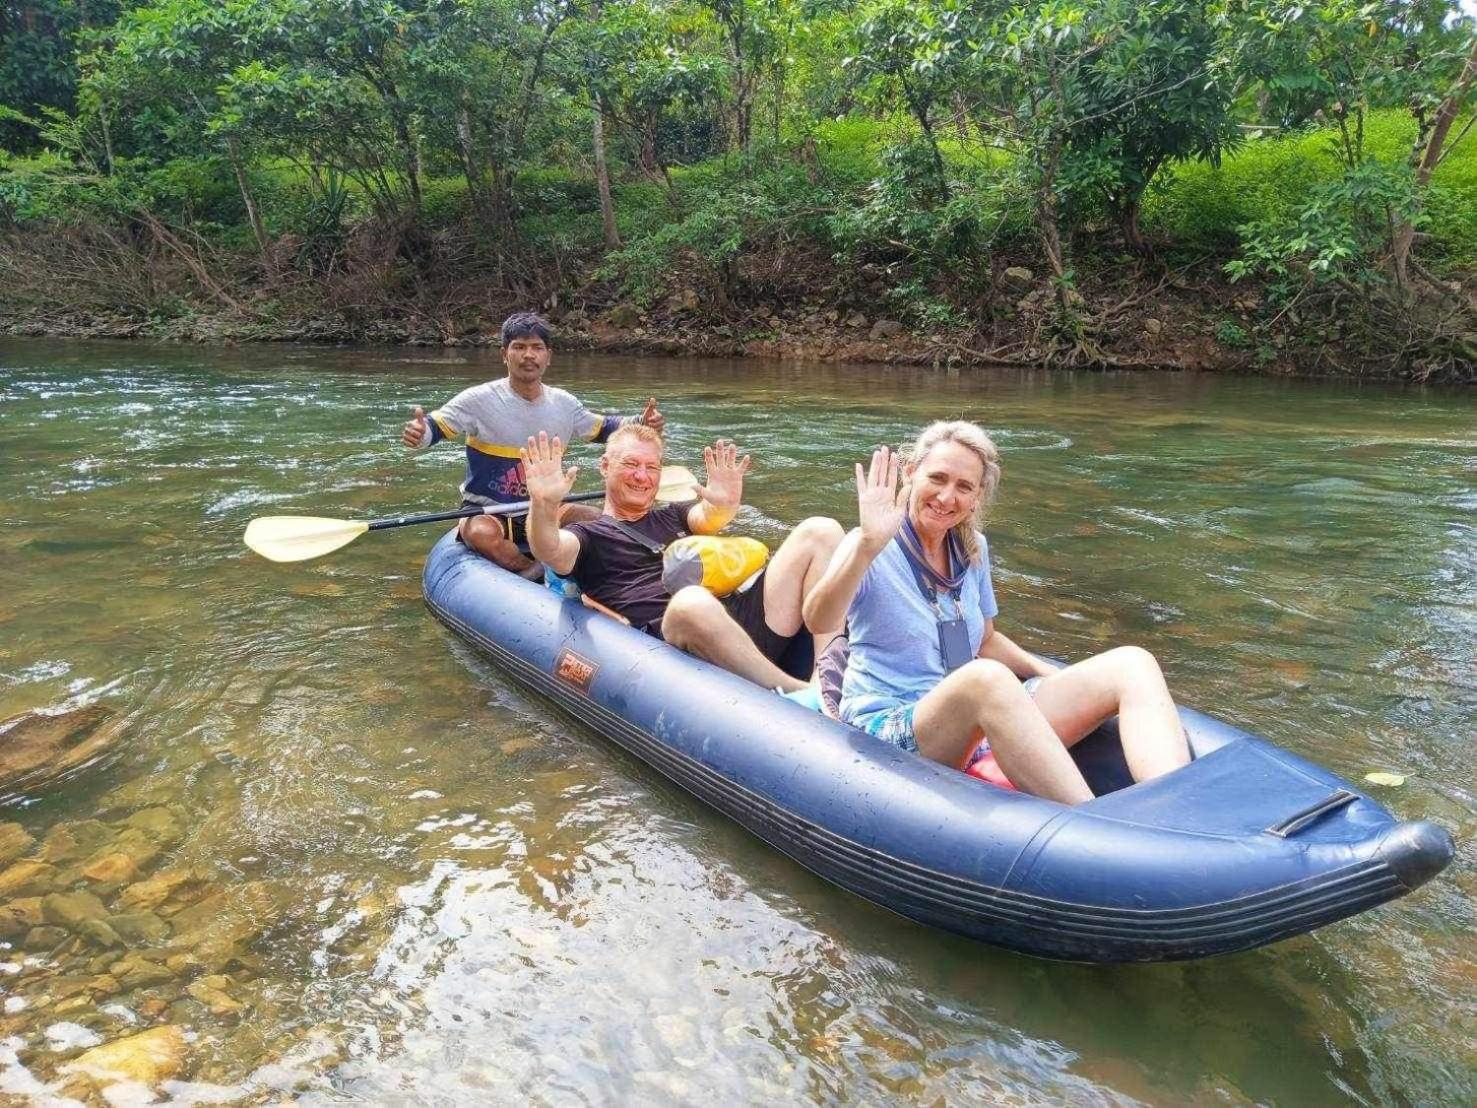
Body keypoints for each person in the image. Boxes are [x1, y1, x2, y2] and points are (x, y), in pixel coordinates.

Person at [802, 421, 1189, 805]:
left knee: (1132, 663)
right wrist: (867, 545)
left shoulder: (973, 550)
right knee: (984, 680)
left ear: (977, 497)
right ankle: (1094, 826)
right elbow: (819, 619)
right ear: (910, 473)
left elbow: (984, 640)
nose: (946, 496)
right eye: (937, 478)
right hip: (892, 721)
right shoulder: (868, 545)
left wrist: (1047, 673)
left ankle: (1172, 807)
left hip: (971, 714)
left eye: (964, 486)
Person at [521, 425, 843, 693]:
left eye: (652, 468)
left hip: (735, 623)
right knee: (691, 601)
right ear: (605, 466)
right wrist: (544, 505)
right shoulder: (588, 536)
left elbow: (709, 517)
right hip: (680, 643)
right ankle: (797, 695)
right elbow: (548, 548)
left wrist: (725, 504)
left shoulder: (674, 516)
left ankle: (826, 676)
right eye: (631, 464)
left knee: (821, 530)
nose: (642, 476)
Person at [400, 311, 665, 573]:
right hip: (490, 509)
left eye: (537, 348)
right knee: (480, 533)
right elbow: (432, 429)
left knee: (596, 518)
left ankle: (595, 572)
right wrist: (419, 434)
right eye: (519, 347)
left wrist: (642, 420)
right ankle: (535, 577)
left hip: (546, 506)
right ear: (505, 354)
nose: (529, 355)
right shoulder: (476, 400)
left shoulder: (564, 404)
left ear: (548, 356)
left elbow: (604, 428)